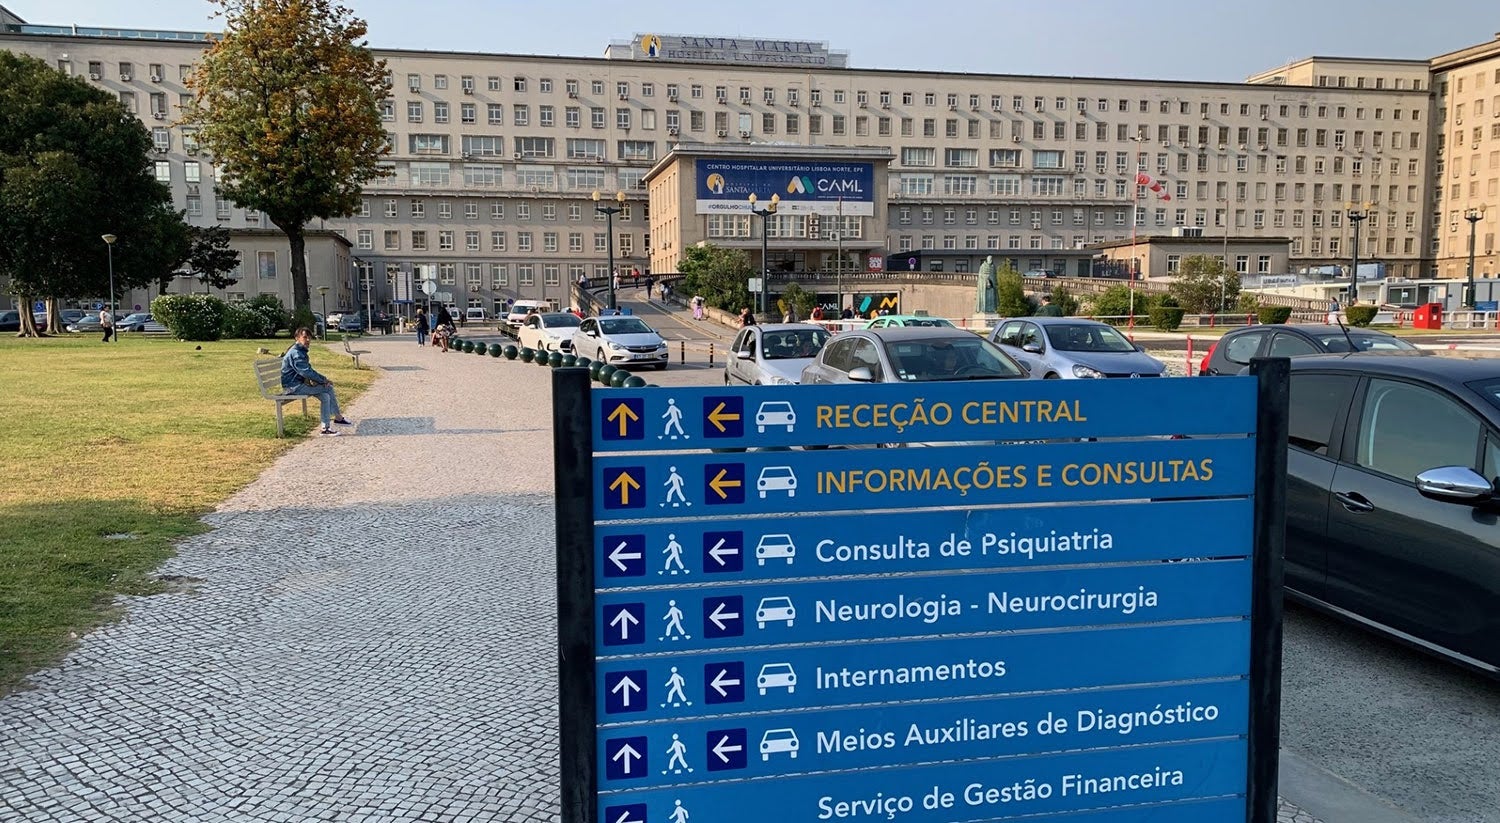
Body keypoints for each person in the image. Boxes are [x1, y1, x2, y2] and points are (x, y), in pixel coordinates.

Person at [281, 327, 350, 436]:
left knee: (325, 396)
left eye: (309, 337)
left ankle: (325, 428)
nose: (308, 340)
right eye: (305, 337)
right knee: (328, 388)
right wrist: (323, 380)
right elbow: (306, 372)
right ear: (297, 338)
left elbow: (307, 371)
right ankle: (338, 418)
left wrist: (320, 380)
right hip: (293, 387)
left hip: (298, 384)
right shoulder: (296, 353)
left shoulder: (299, 350)